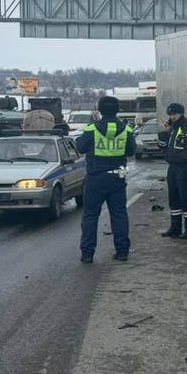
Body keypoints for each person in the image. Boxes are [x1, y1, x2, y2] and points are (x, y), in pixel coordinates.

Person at [76, 94, 136, 263]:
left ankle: (87, 254)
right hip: (117, 178)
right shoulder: (126, 129)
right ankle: (122, 251)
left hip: (95, 178)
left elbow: (81, 148)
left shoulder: (92, 129)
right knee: (119, 215)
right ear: (117, 110)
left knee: (90, 216)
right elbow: (131, 151)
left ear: (100, 110)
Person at [158, 102, 187, 240]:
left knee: (186, 200)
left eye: (174, 114)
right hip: (172, 168)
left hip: (184, 168)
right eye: (170, 114)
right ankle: (175, 228)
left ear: (181, 113)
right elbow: (162, 148)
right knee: (173, 199)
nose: (172, 117)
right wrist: (164, 134)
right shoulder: (171, 129)